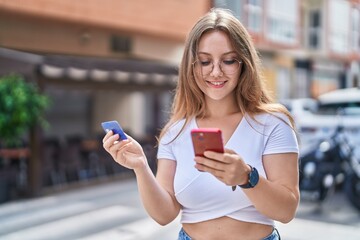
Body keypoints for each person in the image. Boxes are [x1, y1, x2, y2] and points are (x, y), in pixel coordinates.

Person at [102, 8, 299, 240]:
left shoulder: (273, 124)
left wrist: (247, 177)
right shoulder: (175, 132)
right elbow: (164, 214)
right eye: (205, 61)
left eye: (228, 60)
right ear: (192, 66)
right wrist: (141, 167)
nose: (216, 72)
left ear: (244, 64)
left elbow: (286, 211)